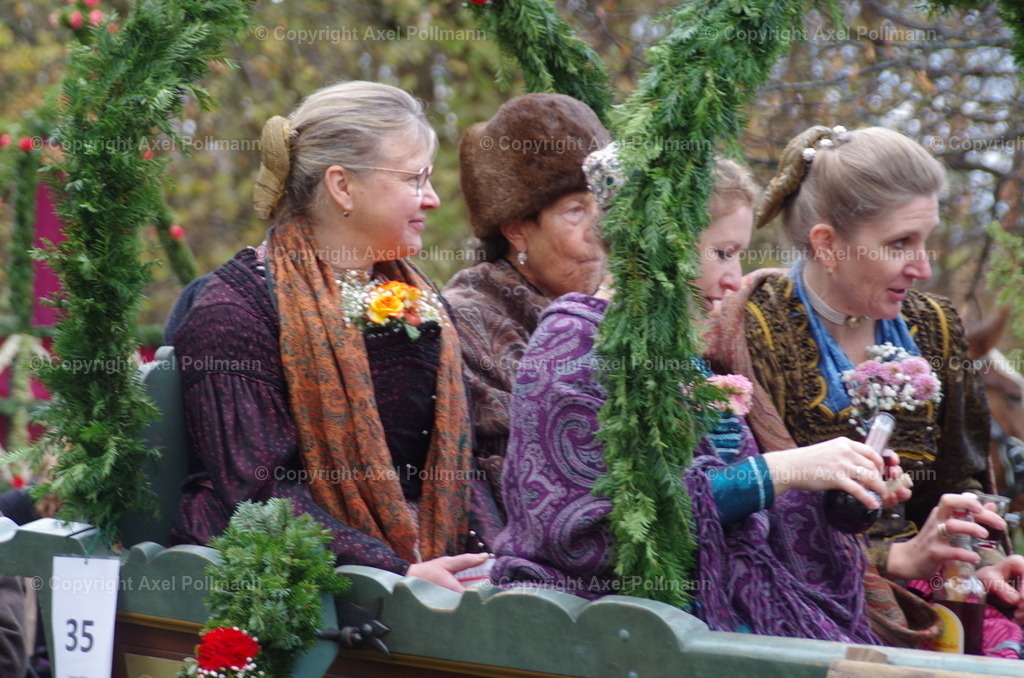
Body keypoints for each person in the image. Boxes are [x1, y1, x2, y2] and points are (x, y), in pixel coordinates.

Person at [491, 151, 1024, 644]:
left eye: (739, 255)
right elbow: (592, 526)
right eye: (722, 253)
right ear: (661, 249)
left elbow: (755, 518)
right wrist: (783, 470)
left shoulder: (681, 356)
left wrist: (844, 492)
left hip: (703, 619)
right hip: (612, 627)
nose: (732, 281)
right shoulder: (573, 343)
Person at [170, 81, 500, 592]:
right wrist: (396, 574)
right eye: (415, 179)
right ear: (343, 187)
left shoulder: (417, 295)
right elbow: (258, 496)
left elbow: (461, 460)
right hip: (299, 593)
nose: (432, 199)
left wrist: (494, 560)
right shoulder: (232, 313)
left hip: (426, 569)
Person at [703, 125, 1013, 652]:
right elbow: (751, 526)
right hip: (802, 609)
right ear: (827, 246)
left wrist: (982, 559)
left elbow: (964, 477)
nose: (924, 267)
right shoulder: (751, 333)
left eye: (926, 240)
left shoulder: (933, 325)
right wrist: (893, 557)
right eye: (900, 244)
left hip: (937, 592)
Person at [442, 93, 611, 504]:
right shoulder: (468, 320)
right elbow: (525, 468)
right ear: (517, 231)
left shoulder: (616, 306)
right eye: (575, 211)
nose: (601, 230)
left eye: (604, 205)